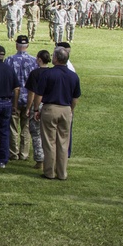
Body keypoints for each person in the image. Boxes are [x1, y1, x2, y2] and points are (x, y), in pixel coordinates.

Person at [30, 46, 81, 181]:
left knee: (49, 142)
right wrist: (71, 109)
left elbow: (39, 95)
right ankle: (62, 172)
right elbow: (76, 97)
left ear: (56, 58)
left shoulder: (48, 74)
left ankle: (49, 171)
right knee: (63, 142)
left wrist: (36, 109)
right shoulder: (73, 76)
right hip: (66, 109)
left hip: (50, 108)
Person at [5, 35, 38, 162]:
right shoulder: (34, 61)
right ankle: (24, 153)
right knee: (26, 127)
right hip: (29, 98)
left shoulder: (10, 60)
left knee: (13, 127)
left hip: (14, 98)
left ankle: (13, 152)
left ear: (16, 45)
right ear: (27, 46)